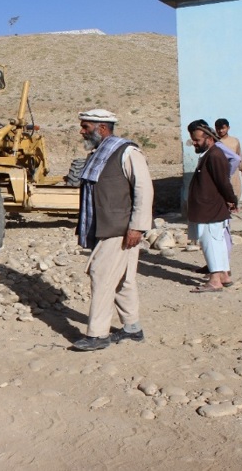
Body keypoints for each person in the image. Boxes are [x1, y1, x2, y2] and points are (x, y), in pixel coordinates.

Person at [72, 109, 154, 351]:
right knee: (123, 280)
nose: (82, 131)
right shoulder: (100, 154)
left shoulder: (127, 152)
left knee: (101, 274)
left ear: (102, 129)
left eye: (86, 127)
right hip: (108, 226)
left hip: (120, 228)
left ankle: (97, 335)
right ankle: (132, 328)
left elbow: (144, 189)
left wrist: (138, 226)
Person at [187, 120, 238, 293]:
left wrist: (232, 200)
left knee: (212, 242)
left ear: (208, 139)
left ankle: (215, 280)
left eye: (197, 140)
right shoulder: (210, 154)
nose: (194, 143)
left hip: (210, 209)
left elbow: (223, 182)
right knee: (217, 242)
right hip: (208, 208)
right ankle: (224, 276)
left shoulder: (215, 155)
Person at [215, 118, 242, 200]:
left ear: (228, 128)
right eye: (218, 128)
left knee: (235, 193)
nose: (221, 131)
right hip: (219, 173)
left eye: (223, 128)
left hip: (233, 173)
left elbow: (239, 155)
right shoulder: (214, 141)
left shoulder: (235, 141)